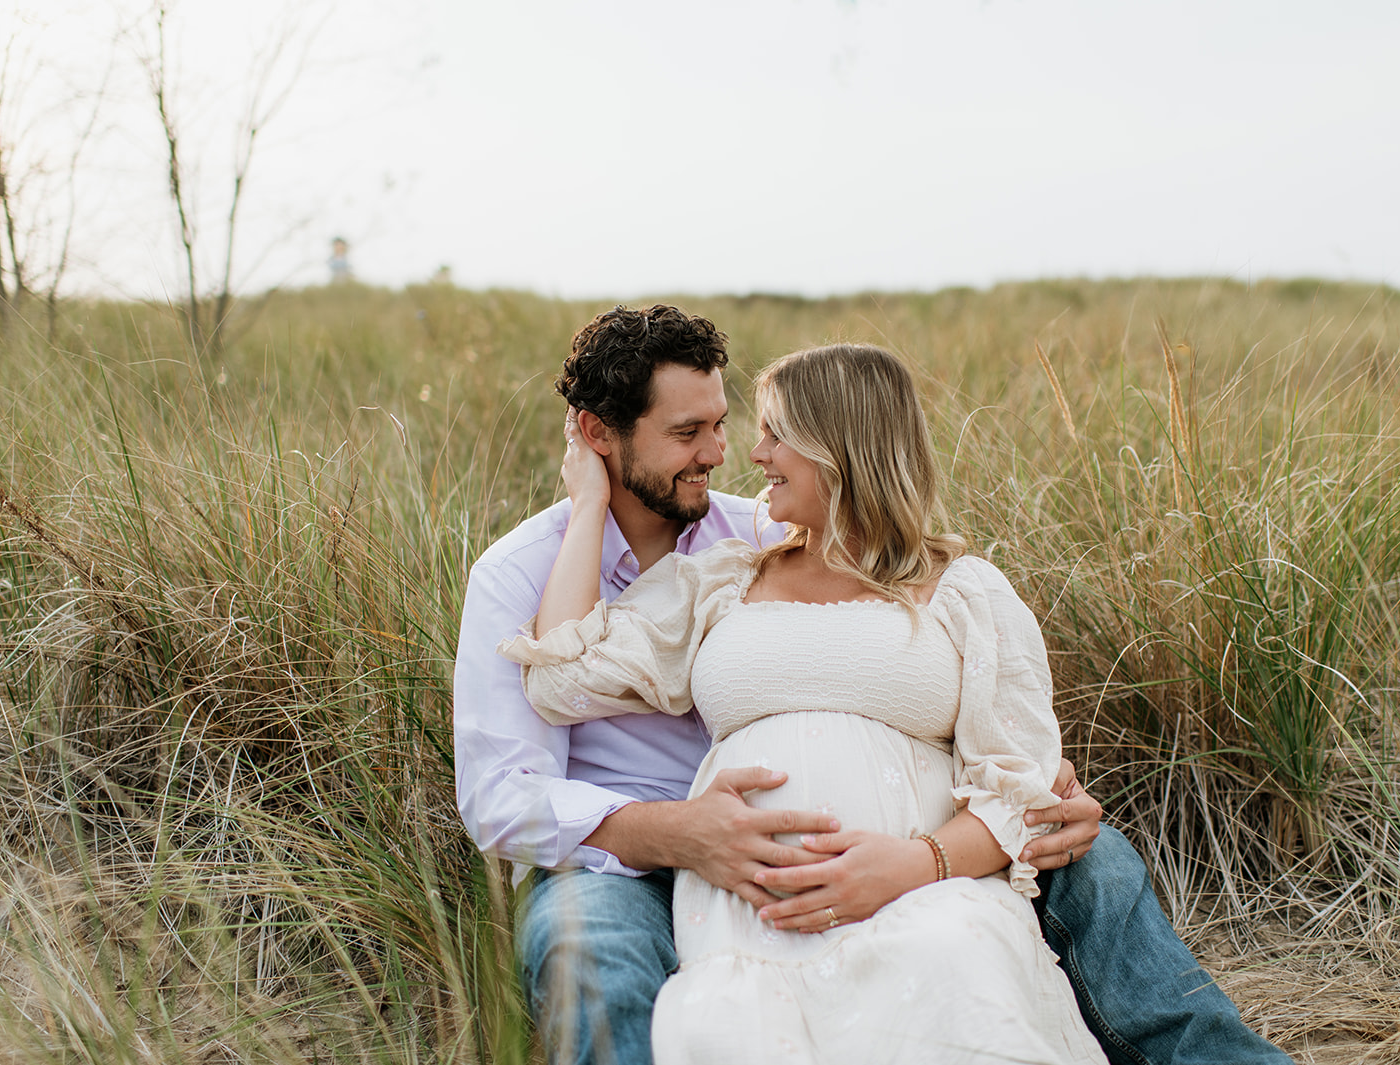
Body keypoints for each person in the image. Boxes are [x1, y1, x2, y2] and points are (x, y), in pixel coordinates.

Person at [452, 306, 1290, 1064]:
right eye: (689, 432)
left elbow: (1009, 753)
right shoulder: (594, 575)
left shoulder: (758, 530)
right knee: (602, 968)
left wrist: (1013, 804)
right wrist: (588, 507)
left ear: (838, 448)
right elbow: (526, 743)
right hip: (635, 856)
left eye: (738, 426)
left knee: (1089, 861)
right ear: (600, 435)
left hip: (904, 845)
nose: (729, 453)